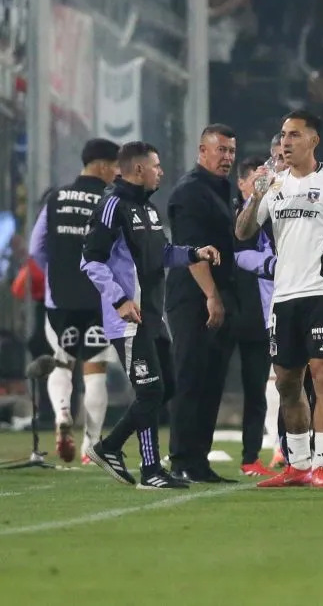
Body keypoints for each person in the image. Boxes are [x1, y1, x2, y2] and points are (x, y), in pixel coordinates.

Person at [81, 142, 220, 489]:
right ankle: (149, 468)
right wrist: (119, 301)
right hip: (128, 319)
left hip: (154, 317)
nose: (161, 171)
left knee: (165, 387)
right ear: (139, 169)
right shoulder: (112, 206)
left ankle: (113, 449)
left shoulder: (149, 209)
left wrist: (194, 253)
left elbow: (163, 254)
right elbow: (91, 260)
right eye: (156, 166)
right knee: (151, 392)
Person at [235, 110, 323, 489]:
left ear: (313, 140)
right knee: (287, 383)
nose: (286, 142)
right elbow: (243, 232)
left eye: (294, 135)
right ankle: (299, 465)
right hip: (284, 297)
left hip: (322, 293)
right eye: (283, 135)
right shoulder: (274, 184)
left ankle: (322, 466)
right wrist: (257, 194)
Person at [28, 139, 120, 464]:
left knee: (61, 362)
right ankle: (91, 446)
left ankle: (62, 413)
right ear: (103, 165)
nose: (117, 172)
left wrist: (56, 273)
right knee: (95, 371)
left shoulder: (55, 198)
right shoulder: (110, 201)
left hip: (60, 299)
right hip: (98, 299)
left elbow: (36, 247)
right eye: (115, 165)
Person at [165, 124, 240, 483]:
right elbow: (191, 251)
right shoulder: (190, 192)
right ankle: (181, 459)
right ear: (202, 151)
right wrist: (211, 296)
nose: (227, 157)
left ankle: (198, 461)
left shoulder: (220, 189)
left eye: (231, 151)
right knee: (190, 377)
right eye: (221, 150)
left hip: (218, 294)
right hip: (193, 297)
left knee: (211, 381)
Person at [232, 152, 281, 476]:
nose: (261, 185)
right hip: (231, 309)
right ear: (242, 183)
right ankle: (190, 455)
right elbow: (237, 252)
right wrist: (271, 265)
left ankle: (255, 456)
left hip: (261, 313)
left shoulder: (274, 209)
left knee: (261, 386)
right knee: (206, 384)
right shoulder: (234, 212)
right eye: (255, 181)